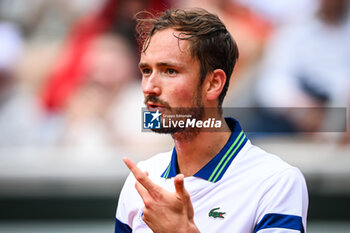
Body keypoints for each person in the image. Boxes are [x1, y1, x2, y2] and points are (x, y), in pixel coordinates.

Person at [115, 8, 308, 233]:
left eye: (169, 71)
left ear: (213, 83)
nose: (149, 87)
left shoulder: (277, 181)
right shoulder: (139, 181)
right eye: (146, 71)